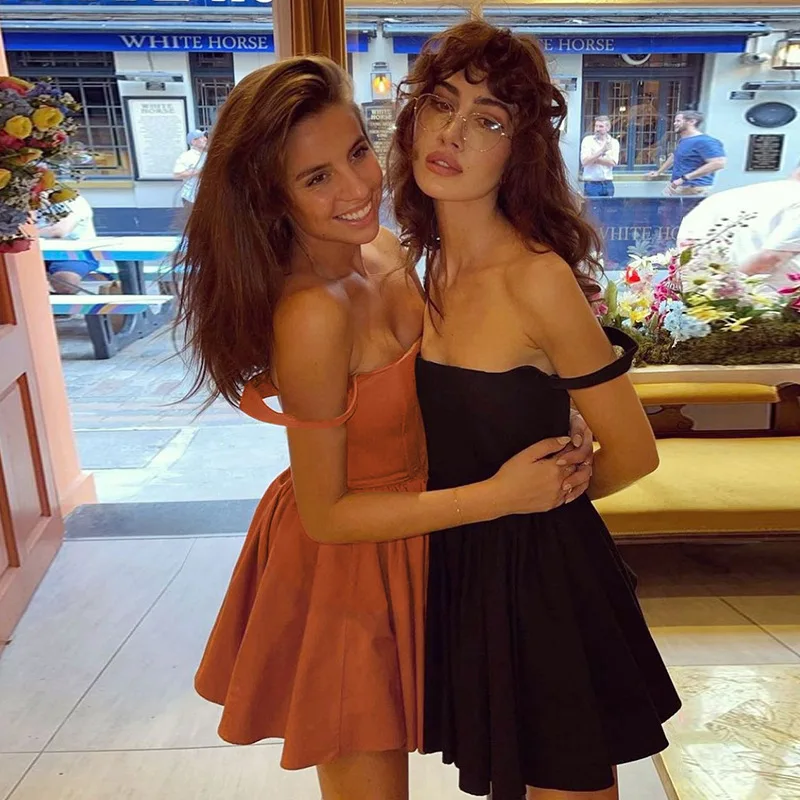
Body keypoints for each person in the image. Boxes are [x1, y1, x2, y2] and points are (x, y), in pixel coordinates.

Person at [180, 57, 593, 800]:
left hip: (434, 534)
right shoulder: (311, 313)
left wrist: (553, 407)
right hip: (347, 561)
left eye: (357, 153)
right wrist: (499, 497)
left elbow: (455, 376)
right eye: (317, 178)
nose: (357, 187)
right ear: (271, 197)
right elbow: (326, 514)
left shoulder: (386, 249)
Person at [388, 22, 681, 800]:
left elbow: (635, 452)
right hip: (459, 565)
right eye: (441, 104)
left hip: (541, 580)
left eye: (488, 120)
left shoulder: (536, 276)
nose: (451, 133)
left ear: (518, 151)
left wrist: (547, 501)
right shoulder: (425, 261)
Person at [677, 162, 800, 288]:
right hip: (760, 295)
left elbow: (686, 246)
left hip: (697, 294)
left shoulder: (721, 198)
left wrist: (703, 290)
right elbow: (771, 257)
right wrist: (726, 289)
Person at [647, 110, 726, 196]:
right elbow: (674, 157)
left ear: (692, 122)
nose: (674, 123)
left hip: (694, 188)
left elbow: (719, 163)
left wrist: (684, 178)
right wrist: (659, 172)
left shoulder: (705, 141)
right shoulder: (684, 140)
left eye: (678, 121)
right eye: (675, 121)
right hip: (676, 186)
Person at [37, 193, 100, 294]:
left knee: (66, 283)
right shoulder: (14, 198)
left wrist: (24, 234)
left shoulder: (71, 199)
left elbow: (60, 230)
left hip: (73, 254)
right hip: (30, 251)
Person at [580, 115, 619, 197]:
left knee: (609, 206)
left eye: (601, 126)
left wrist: (594, 158)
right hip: (591, 185)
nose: (597, 129)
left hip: (608, 184)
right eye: (596, 126)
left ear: (608, 128)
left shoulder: (614, 142)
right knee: (592, 206)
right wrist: (602, 151)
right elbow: (584, 161)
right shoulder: (587, 140)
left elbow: (613, 162)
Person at [173, 128, 207, 209]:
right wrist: (197, 172)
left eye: (204, 137)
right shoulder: (186, 156)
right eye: (201, 137)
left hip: (206, 197)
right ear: (193, 142)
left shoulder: (207, 155)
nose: (205, 139)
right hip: (191, 199)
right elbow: (177, 175)